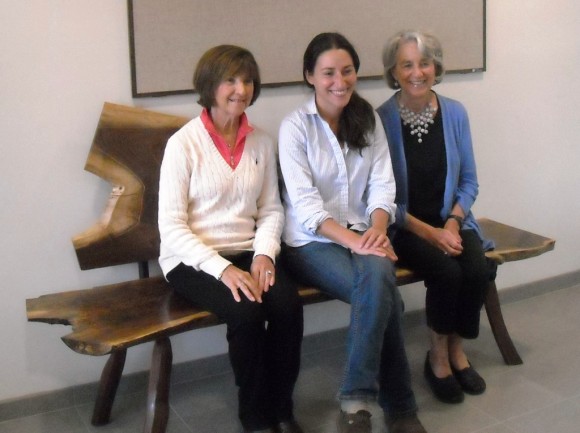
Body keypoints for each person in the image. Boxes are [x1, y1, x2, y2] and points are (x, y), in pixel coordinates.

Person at [278, 32, 427, 433]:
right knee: (386, 298)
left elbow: (383, 186)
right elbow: (307, 208)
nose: (339, 82)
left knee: (378, 283)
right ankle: (400, 408)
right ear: (310, 75)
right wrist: (361, 243)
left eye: (347, 71)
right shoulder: (295, 128)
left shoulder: (368, 119)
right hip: (310, 242)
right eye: (328, 73)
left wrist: (377, 231)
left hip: (364, 231)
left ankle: (357, 402)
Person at [158, 45, 304, 433]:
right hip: (192, 260)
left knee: (288, 305)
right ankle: (256, 416)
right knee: (246, 311)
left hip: (248, 253)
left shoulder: (261, 141)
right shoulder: (183, 145)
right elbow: (171, 227)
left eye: (248, 80)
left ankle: (282, 407)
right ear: (209, 85)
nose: (241, 89)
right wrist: (222, 270)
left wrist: (265, 256)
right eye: (230, 80)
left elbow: (272, 210)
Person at [376, 31, 495, 405]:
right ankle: (438, 358)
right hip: (407, 227)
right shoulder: (382, 119)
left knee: (477, 268)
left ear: (436, 67)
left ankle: (458, 351)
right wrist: (431, 233)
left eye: (424, 63)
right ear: (393, 72)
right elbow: (383, 198)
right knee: (446, 272)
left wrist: (453, 223)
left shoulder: (455, 112)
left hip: (451, 222)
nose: (417, 72)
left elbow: (470, 182)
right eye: (406, 64)